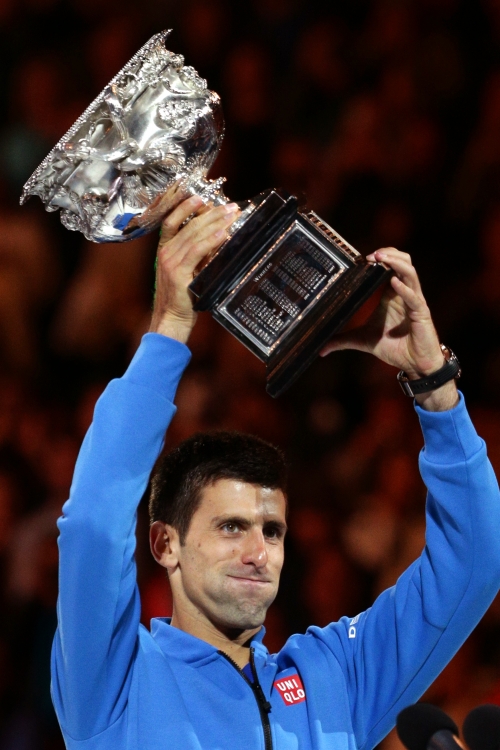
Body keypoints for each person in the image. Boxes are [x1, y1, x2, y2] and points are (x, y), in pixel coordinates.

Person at [52, 195, 500, 750]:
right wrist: (169, 330)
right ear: (165, 543)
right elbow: (93, 525)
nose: (258, 553)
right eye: (231, 527)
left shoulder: (337, 678)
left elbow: (475, 561)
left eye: (273, 531)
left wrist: (434, 384)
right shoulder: (114, 683)